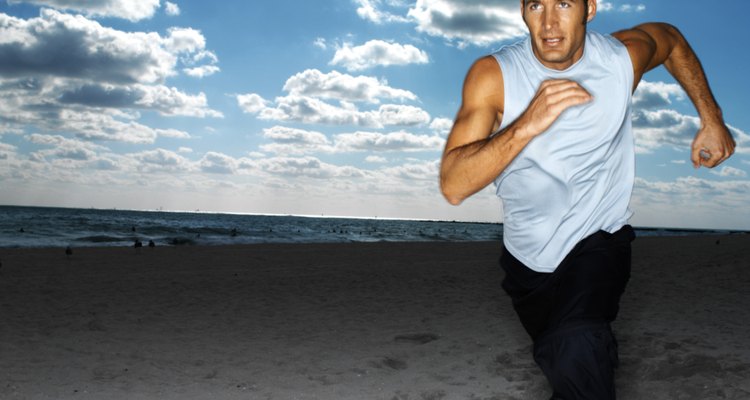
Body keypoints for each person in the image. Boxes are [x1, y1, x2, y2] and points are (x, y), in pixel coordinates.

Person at [439, 0, 735, 398]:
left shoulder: (620, 60)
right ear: (523, 12)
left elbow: (671, 39)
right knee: (573, 357)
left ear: (589, 9)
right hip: (528, 262)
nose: (548, 22)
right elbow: (454, 184)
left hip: (600, 240)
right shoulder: (495, 76)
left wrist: (711, 118)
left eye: (563, 3)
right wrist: (526, 124)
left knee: (575, 347)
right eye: (535, 6)